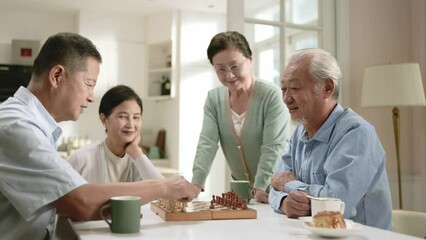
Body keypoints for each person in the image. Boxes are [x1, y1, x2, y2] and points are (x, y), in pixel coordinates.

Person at [0, 32, 198, 240]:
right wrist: (165, 186)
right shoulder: (17, 126)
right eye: (89, 84)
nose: (91, 97)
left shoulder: (31, 124)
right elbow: (81, 202)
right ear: (57, 76)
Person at [268, 48, 392, 230]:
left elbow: (337, 204)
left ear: (327, 88)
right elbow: (274, 185)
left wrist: (289, 184)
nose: (286, 98)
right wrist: (285, 202)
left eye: (294, 88)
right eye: (283, 89)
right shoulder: (299, 132)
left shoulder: (356, 133)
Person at [191, 31, 291, 203]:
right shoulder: (214, 99)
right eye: (221, 69)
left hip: (275, 192)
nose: (228, 75)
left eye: (234, 66)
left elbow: (273, 147)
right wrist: (196, 183)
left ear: (250, 60)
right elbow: (207, 142)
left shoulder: (271, 95)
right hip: (241, 193)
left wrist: (260, 186)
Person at [68, 85, 164, 183]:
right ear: (104, 119)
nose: (131, 124)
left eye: (136, 117)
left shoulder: (138, 160)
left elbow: (163, 191)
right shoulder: (82, 158)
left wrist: (136, 151)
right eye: (122, 116)